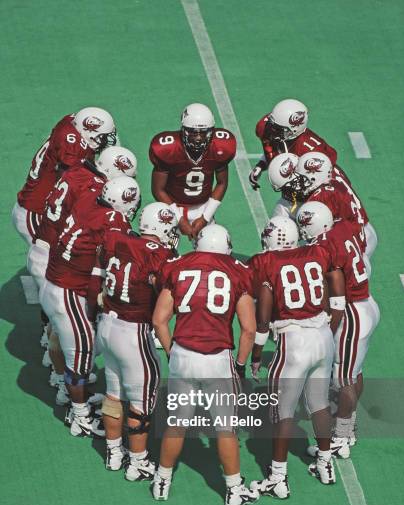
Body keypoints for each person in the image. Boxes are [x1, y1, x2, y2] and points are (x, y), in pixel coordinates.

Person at [152, 224, 259, 505]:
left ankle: (162, 480)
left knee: (177, 423)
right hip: (216, 358)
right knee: (225, 429)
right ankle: (234, 490)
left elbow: (159, 320)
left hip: (183, 355)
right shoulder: (238, 271)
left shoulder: (177, 266)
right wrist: (239, 366)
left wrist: (171, 351)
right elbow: (249, 329)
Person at [28, 145, 137, 405]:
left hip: (52, 259)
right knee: (83, 351)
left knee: (62, 333)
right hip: (65, 280)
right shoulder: (108, 215)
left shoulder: (85, 186)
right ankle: (78, 412)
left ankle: (58, 375)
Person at [40, 176, 141, 437]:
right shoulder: (113, 220)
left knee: (71, 345)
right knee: (82, 354)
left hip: (55, 281)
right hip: (68, 291)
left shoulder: (89, 199)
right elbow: (112, 259)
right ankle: (80, 416)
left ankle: (69, 393)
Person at [88, 203, 178, 478]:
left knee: (114, 393)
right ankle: (137, 462)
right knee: (140, 402)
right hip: (134, 333)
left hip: (107, 324)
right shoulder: (161, 256)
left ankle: (114, 452)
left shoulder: (117, 238)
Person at [249, 216, 336, 498]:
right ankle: (325, 463)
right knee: (319, 404)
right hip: (323, 334)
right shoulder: (317, 252)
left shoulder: (264, 263)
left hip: (294, 339)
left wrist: (257, 354)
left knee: (282, 412)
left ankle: (278, 478)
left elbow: (262, 318)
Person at [296, 201, 380, 457]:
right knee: (353, 373)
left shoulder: (325, 246)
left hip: (351, 311)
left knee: (343, 379)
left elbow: (338, 299)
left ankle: (342, 436)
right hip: (365, 304)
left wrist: (326, 331)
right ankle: (347, 423)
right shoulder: (343, 228)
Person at [13, 107, 117, 246]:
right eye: (102, 137)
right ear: (88, 132)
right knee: (48, 259)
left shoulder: (72, 123)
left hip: (45, 208)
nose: (104, 141)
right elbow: (72, 184)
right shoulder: (72, 149)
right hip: (37, 211)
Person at [149, 103, 236, 238]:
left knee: (214, 248)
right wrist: (179, 219)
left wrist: (205, 217)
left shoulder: (220, 146)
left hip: (203, 208)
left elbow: (221, 183)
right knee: (159, 253)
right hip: (171, 208)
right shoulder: (168, 148)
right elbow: (158, 190)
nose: (198, 138)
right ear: (183, 130)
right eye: (193, 133)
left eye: (204, 132)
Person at [295, 152, 377, 259]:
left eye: (303, 178)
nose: (300, 181)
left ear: (315, 176)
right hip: (363, 232)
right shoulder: (334, 181)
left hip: (353, 243)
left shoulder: (322, 196)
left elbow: (314, 229)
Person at [248, 99, 337, 191]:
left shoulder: (309, 149)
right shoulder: (265, 127)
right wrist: (260, 166)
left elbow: (325, 175)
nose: (273, 131)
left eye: (279, 129)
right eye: (273, 126)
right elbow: (273, 151)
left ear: (295, 129)